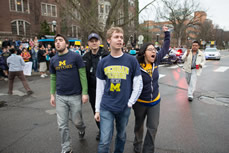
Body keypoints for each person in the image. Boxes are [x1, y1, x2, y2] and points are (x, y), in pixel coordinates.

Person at [94, 27, 143, 153]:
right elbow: (99, 88)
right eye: (116, 37)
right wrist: (97, 110)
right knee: (105, 140)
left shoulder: (131, 60)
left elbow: (138, 84)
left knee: (121, 136)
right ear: (109, 40)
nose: (120, 39)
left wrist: (130, 102)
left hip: (124, 107)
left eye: (121, 37)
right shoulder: (103, 62)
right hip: (106, 106)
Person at [133, 26, 170, 153]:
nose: (153, 51)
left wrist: (167, 33)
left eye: (154, 49)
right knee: (139, 126)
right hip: (140, 103)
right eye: (150, 49)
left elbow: (165, 48)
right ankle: (137, 146)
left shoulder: (156, 61)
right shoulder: (136, 65)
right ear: (144, 52)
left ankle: (148, 150)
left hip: (155, 101)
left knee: (152, 128)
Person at [49, 34, 89, 153]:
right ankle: (66, 148)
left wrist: (85, 92)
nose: (57, 43)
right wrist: (52, 94)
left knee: (77, 122)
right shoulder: (53, 60)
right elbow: (52, 78)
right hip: (60, 96)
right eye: (56, 41)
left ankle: (81, 129)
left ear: (66, 44)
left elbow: (83, 75)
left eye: (60, 40)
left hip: (75, 95)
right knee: (62, 125)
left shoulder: (76, 57)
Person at [83, 33, 109, 140]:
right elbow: (82, 75)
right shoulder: (85, 57)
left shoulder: (106, 55)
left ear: (100, 42)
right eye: (91, 41)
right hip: (92, 89)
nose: (94, 43)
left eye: (96, 40)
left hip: (106, 89)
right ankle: (101, 130)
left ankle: (107, 129)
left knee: (106, 111)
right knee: (96, 110)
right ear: (88, 43)